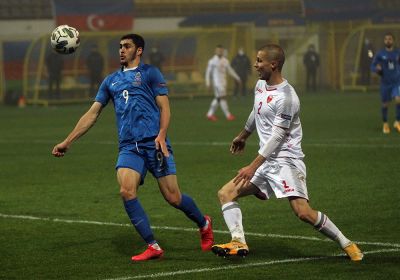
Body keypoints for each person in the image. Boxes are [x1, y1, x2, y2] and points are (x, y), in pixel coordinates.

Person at [52, 33, 214, 261]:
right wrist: (67, 141)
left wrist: (162, 134)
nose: (121, 50)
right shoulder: (110, 81)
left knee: (173, 198)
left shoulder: (150, 73)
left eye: (126, 46)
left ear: (138, 50)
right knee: (126, 191)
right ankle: (153, 246)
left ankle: (204, 222)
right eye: (119, 46)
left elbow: (165, 108)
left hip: (154, 143)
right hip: (129, 146)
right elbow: (92, 114)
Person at [211, 44, 363, 262]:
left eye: (260, 61)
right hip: (266, 162)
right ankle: (238, 241)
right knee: (226, 193)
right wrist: (243, 135)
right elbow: (256, 111)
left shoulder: (287, 97)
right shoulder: (260, 85)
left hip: (286, 162)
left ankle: (346, 243)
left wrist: (252, 166)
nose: (255, 65)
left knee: (303, 212)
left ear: (273, 64)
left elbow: (277, 137)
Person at [370, 32, 400, 134]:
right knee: (385, 104)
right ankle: (385, 123)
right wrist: (377, 69)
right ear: (384, 41)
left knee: (398, 99)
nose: (388, 41)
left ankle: (397, 121)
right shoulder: (380, 54)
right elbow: (373, 66)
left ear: (393, 41)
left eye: (390, 39)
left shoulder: (397, 52)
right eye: (386, 39)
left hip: (396, 82)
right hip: (385, 83)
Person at [205, 44, 241, 121]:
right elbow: (208, 73)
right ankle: (228, 115)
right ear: (215, 51)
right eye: (218, 50)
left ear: (223, 51)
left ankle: (209, 114)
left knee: (218, 98)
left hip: (223, 83)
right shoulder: (212, 61)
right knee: (222, 98)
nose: (219, 51)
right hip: (217, 84)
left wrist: (237, 77)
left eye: (221, 50)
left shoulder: (225, 61)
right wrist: (208, 83)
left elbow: (230, 70)